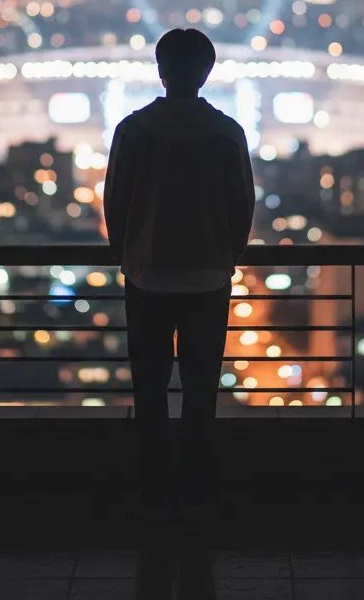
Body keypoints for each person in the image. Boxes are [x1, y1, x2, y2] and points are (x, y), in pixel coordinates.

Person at [104, 28, 255, 519]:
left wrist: (126, 255)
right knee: (200, 393)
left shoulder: (133, 130)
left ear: (161, 70)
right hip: (209, 279)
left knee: (148, 392)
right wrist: (225, 254)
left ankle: (153, 493)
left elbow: (115, 203)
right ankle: (197, 491)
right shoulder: (227, 132)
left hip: (146, 277)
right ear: (207, 73)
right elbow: (242, 206)